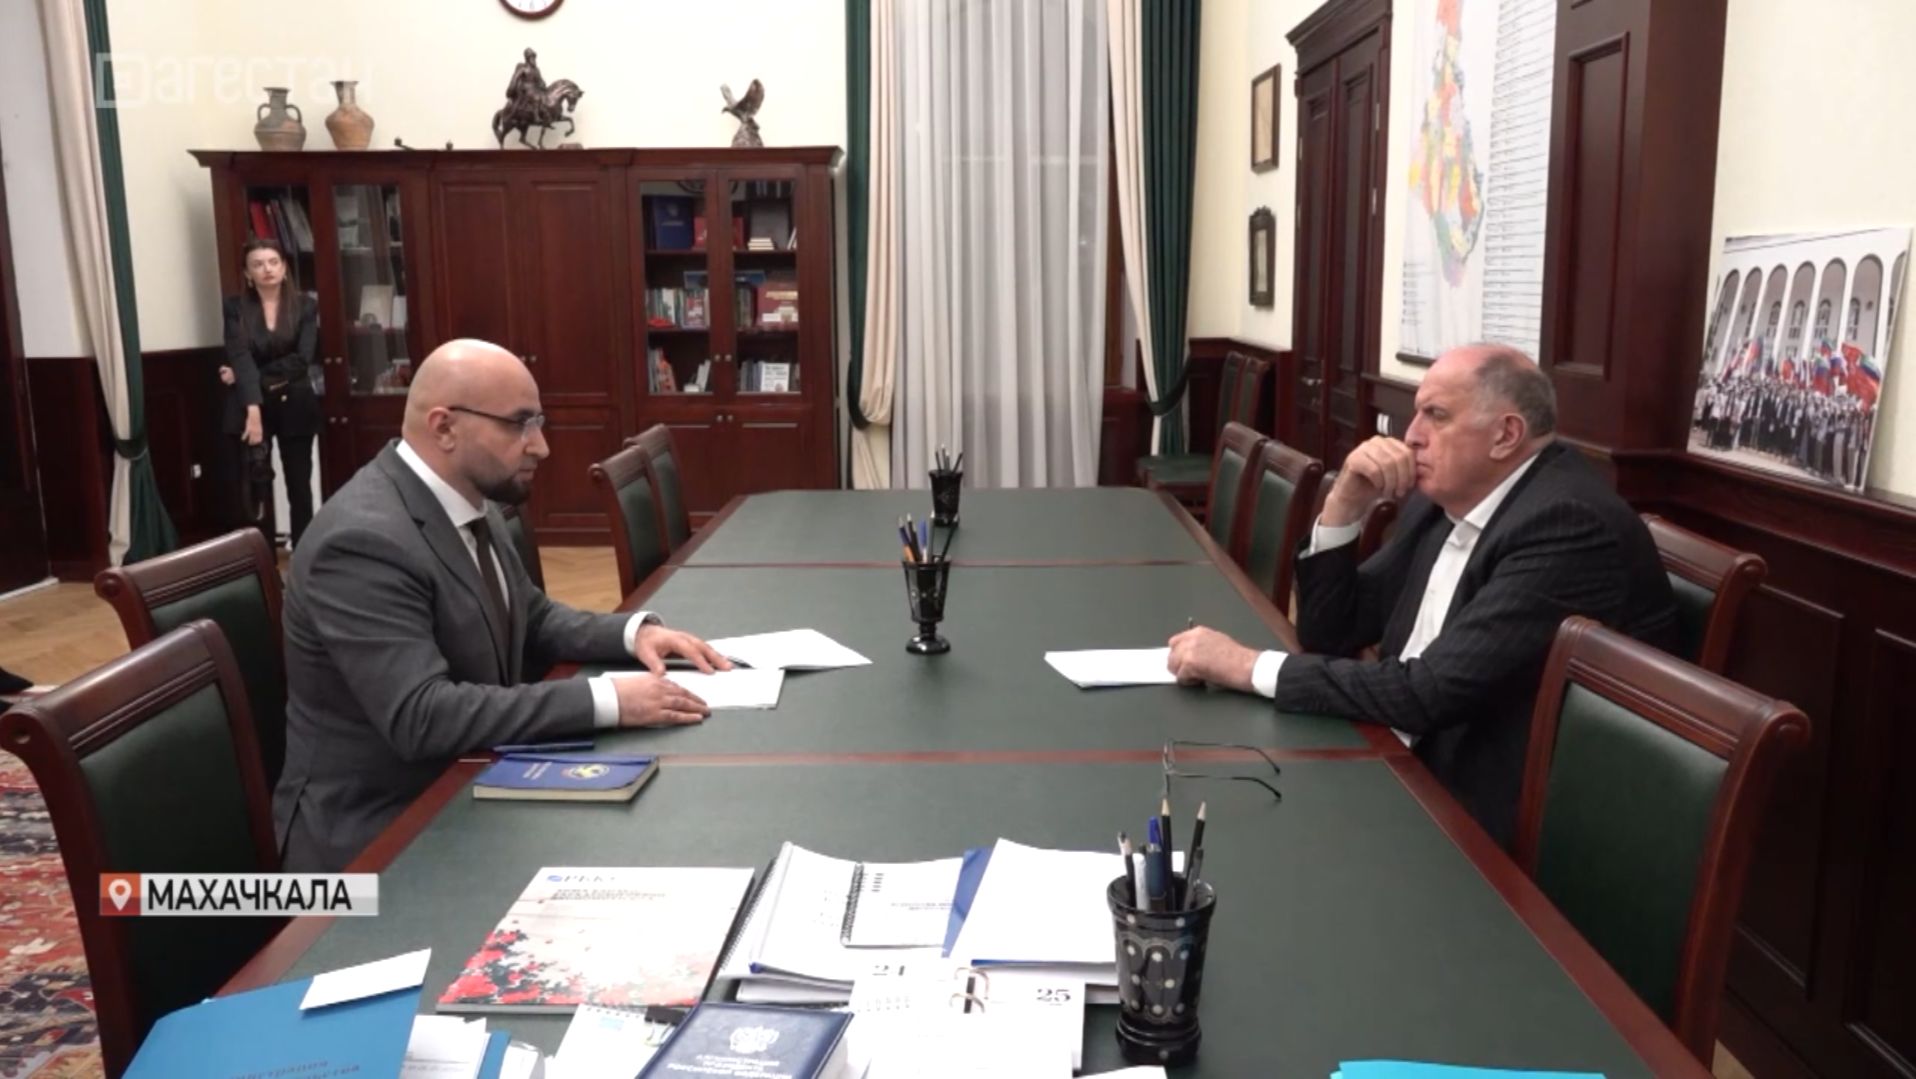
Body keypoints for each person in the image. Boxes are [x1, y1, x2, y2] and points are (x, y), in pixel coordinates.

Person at [1167, 345, 1677, 845]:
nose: (1410, 435)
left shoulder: (1565, 525)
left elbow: (1428, 693)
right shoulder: (1446, 500)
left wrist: (1246, 666)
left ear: (1506, 435)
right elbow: (1331, 630)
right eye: (1416, 413)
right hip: (1398, 752)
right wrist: (1343, 504)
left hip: (1479, 815)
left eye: (1436, 415)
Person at [275, 339, 728, 871]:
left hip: (471, 782)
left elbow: (529, 615)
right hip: (378, 841)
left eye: (538, 422)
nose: (541, 446)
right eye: (519, 424)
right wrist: (607, 699)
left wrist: (633, 634)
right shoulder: (360, 541)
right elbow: (422, 715)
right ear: (444, 428)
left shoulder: (468, 497)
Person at [218, 238, 321, 547]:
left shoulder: (305, 306)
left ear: (284, 268)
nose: (267, 269)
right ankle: (261, 560)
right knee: (255, 486)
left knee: (299, 486)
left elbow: (302, 360)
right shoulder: (235, 308)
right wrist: (253, 409)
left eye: (273, 262)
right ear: (247, 273)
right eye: (258, 264)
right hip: (252, 405)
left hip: (295, 402)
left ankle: (303, 554)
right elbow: (240, 356)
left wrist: (246, 376)